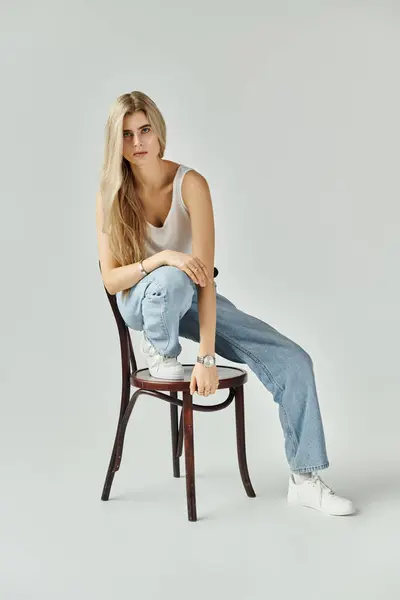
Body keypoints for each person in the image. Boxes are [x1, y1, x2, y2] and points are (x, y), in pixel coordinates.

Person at [96, 90, 356, 517]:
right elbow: (110, 279)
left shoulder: (190, 184)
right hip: (142, 302)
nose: (138, 142)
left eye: (145, 130)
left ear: (160, 132)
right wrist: (161, 257)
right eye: (126, 135)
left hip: (191, 297)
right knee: (172, 274)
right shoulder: (111, 193)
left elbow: (206, 278)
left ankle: (305, 478)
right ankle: (161, 350)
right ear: (116, 143)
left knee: (294, 360)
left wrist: (207, 357)